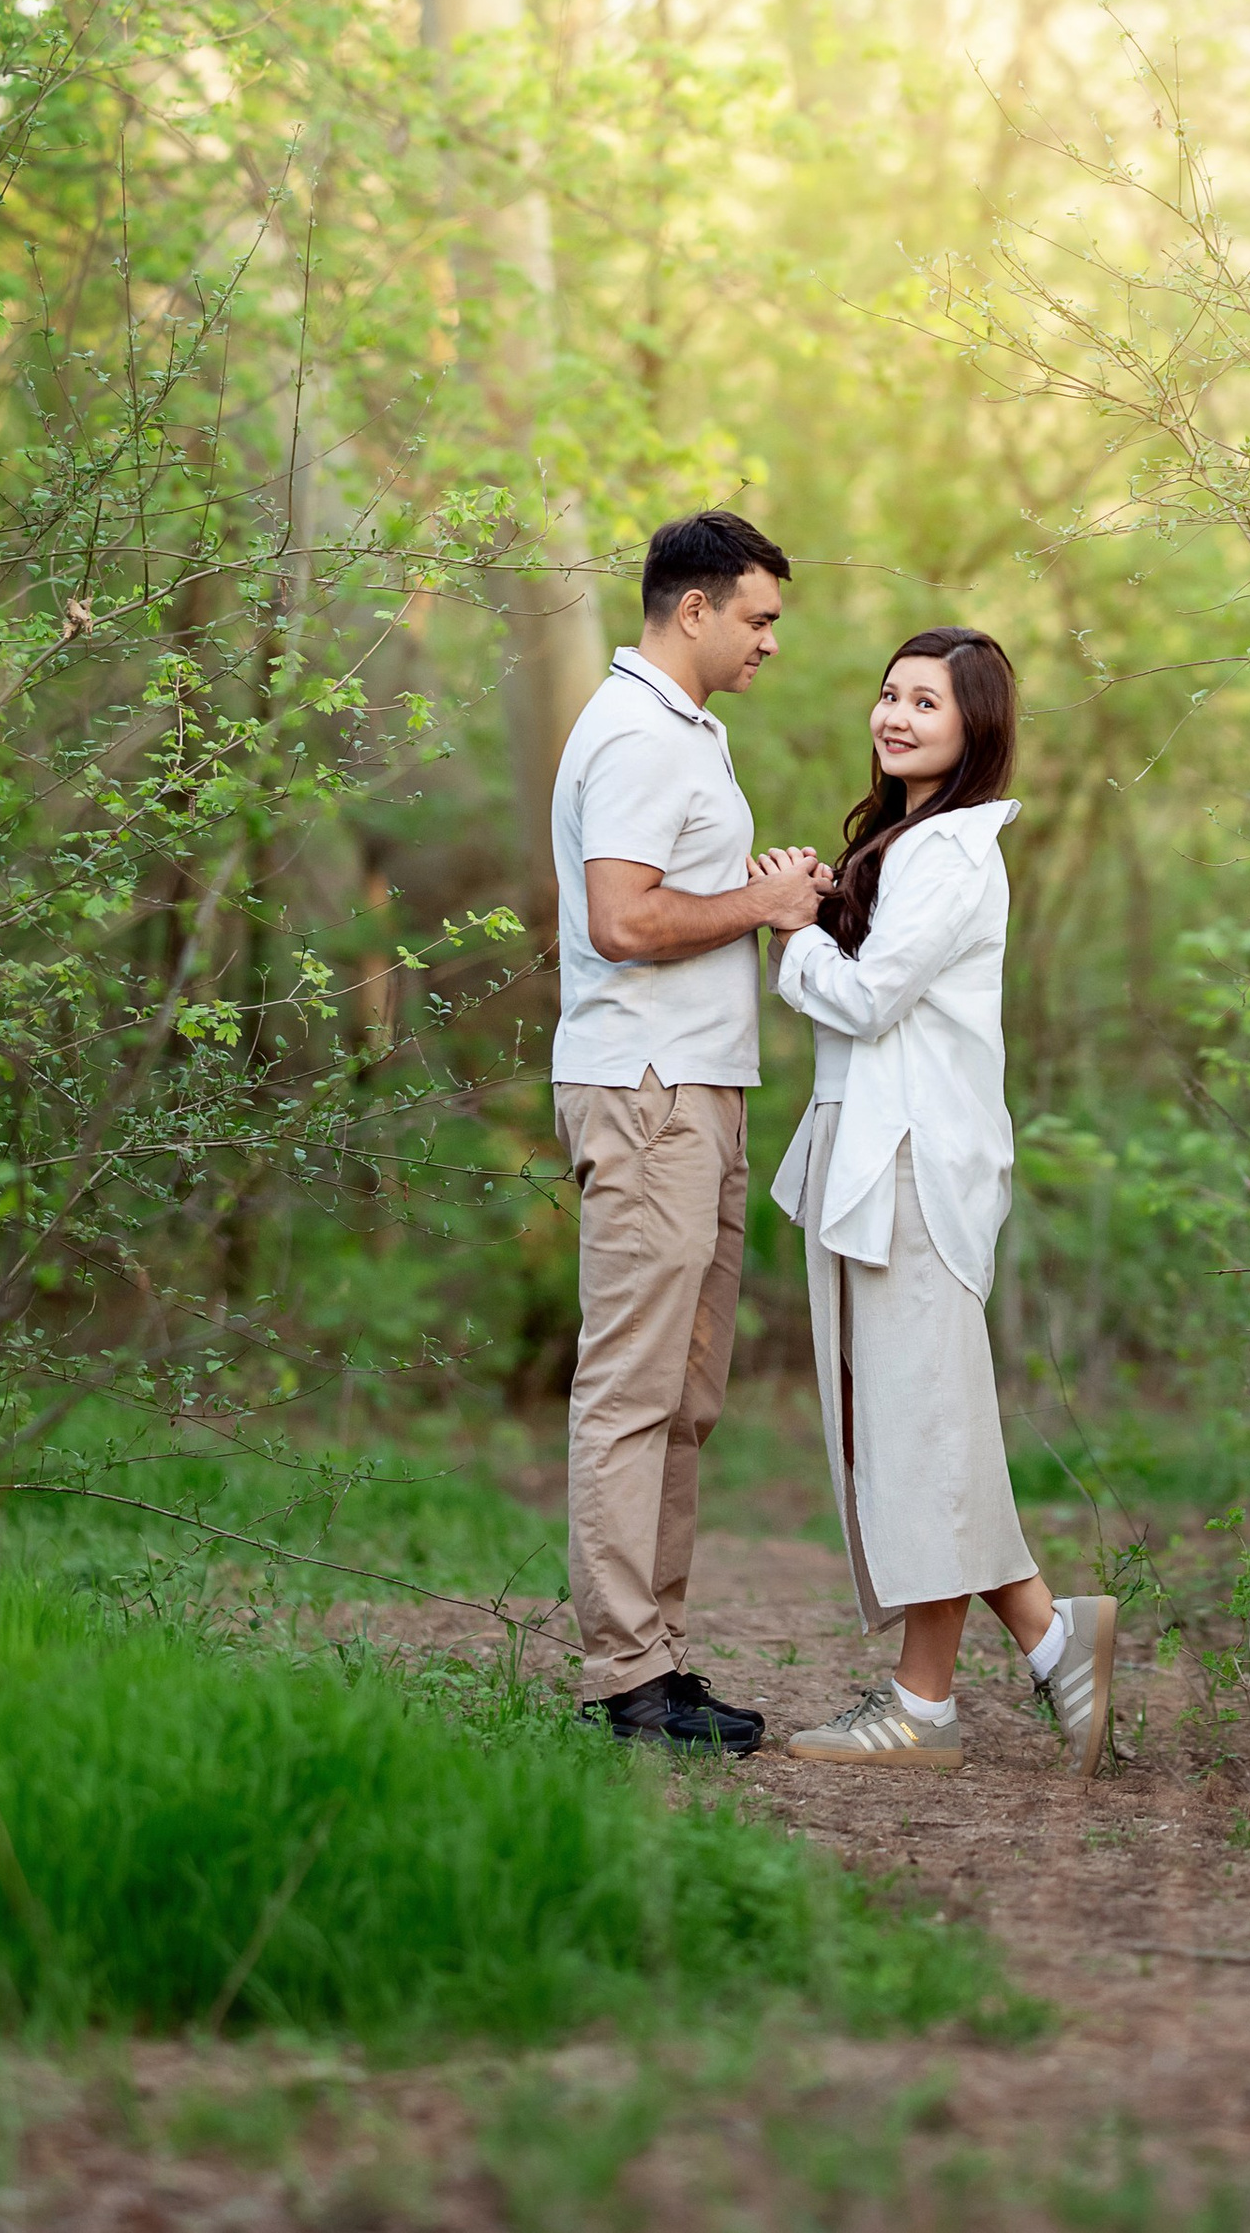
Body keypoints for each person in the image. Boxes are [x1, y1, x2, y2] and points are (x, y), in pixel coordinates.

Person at [769, 626, 1117, 1777]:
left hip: (911, 1161)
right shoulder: (907, 845)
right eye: (888, 694)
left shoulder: (954, 852)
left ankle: (927, 1706)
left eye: (926, 701)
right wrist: (819, 904)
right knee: (919, 1425)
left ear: (976, 725)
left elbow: (868, 1000)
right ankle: (1052, 1640)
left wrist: (790, 930)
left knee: (923, 1425)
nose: (896, 714)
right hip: (875, 1154)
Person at [551, 508, 829, 1754]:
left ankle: (655, 1660)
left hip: (695, 1090)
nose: (771, 641)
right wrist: (758, 905)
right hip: (647, 1091)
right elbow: (621, 921)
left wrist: (759, 895)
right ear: (696, 608)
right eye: (759, 618)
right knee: (632, 1390)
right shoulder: (634, 732)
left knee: (683, 1396)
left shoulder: (684, 732)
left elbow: (670, 898)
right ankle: (626, 1677)